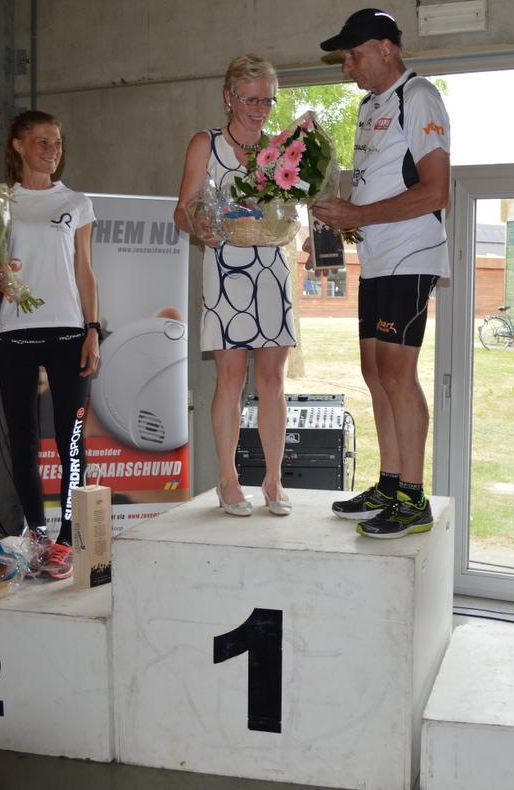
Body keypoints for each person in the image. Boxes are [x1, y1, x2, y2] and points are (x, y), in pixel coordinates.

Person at [313, 9, 450, 539]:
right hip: (376, 256)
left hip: (411, 255)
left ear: (387, 49)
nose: (347, 66)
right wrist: (333, 224)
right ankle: (391, 482)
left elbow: (436, 190)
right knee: (374, 370)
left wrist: (359, 216)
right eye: (344, 58)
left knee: (397, 372)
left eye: (354, 54)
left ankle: (413, 498)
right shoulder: (370, 107)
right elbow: (376, 188)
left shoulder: (419, 98)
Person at [174, 54, 294, 518]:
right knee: (231, 379)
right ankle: (228, 479)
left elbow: (290, 207)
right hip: (226, 270)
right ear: (229, 97)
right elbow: (181, 209)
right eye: (250, 98)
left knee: (273, 381)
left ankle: (274, 480)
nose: (260, 108)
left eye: (268, 99)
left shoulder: (281, 151)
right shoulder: (206, 143)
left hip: (272, 271)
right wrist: (199, 224)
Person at [0, 110, 100, 580]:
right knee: (23, 442)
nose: (52, 149)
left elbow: (85, 270)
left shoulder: (76, 201)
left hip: (68, 334)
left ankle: (68, 541)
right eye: (42, 141)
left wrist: (93, 328)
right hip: (15, 334)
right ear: (17, 145)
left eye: (56, 141)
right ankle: (36, 534)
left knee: (70, 442)